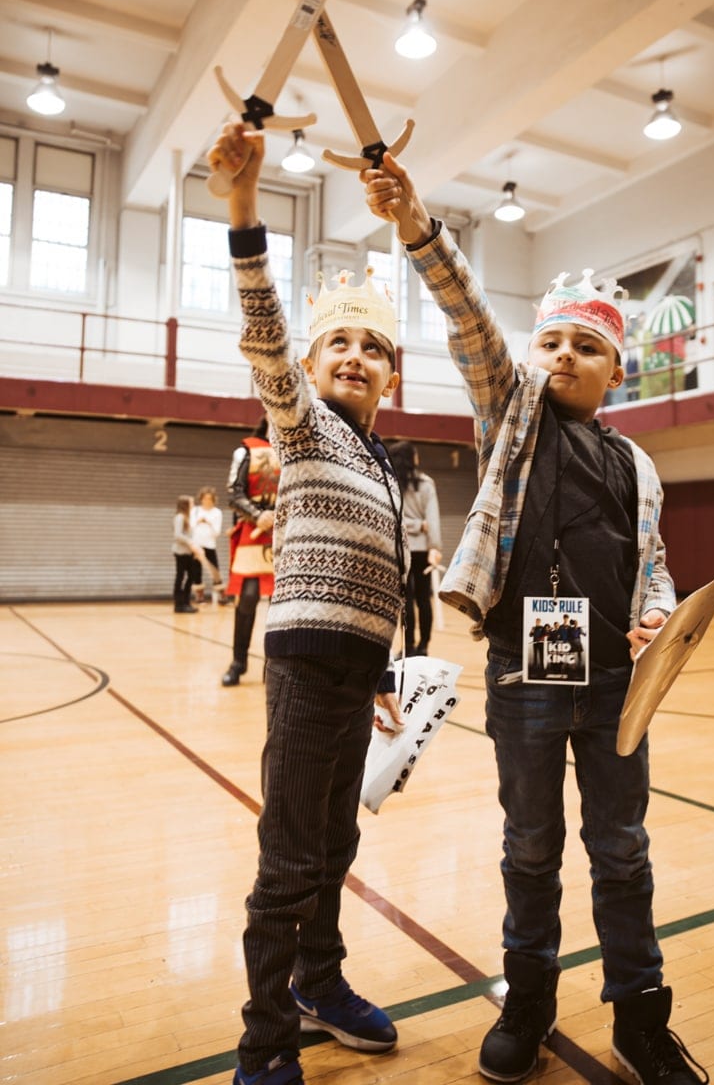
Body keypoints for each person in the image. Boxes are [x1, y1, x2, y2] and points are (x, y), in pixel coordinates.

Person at [362, 154, 709, 1085]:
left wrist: (656, 618)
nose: (564, 358)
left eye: (585, 348)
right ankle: (529, 1001)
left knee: (623, 852)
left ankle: (641, 1016)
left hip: (612, 688)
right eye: (551, 342)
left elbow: (656, 568)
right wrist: (418, 222)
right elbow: (469, 317)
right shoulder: (510, 417)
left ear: (614, 369)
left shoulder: (638, 465)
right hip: (522, 675)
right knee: (529, 847)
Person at [207, 122, 407, 1085]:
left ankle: (318, 985)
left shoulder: (385, 464)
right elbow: (265, 336)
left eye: (375, 347)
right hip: (301, 665)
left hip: (354, 673)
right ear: (313, 366)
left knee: (334, 840)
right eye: (340, 343)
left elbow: (386, 578)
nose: (356, 357)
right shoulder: (305, 427)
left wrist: (386, 675)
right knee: (289, 860)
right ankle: (263, 1047)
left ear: (393, 377)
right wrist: (245, 212)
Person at [222, 417, 281, 686]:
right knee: (247, 598)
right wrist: (257, 515)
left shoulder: (295, 451)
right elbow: (234, 494)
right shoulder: (246, 451)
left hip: (284, 536)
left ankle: (273, 666)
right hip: (253, 532)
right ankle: (238, 662)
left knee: (279, 606)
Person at [388, 440, 442, 655]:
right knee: (424, 599)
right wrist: (433, 544)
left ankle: (408, 646)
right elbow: (433, 520)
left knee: (406, 599)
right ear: (411, 457)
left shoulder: (392, 483)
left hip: (401, 549)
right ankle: (424, 647)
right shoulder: (426, 483)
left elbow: (393, 518)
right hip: (423, 550)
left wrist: (408, 525)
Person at [190, 486, 227, 605]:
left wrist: (209, 523)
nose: (207, 501)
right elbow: (190, 528)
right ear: (201, 499)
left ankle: (221, 595)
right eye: (205, 498)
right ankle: (199, 595)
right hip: (196, 545)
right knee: (196, 570)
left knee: (214, 569)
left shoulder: (217, 512)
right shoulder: (195, 511)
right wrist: (198, 522)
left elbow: (217, 532)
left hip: (210, 544)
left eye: (209, 498)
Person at [172, 494, 201, 614]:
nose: (193, 505)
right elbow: (178, 535)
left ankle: (186, 602)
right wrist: (190, 543)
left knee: (191, 577)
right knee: (181, 577)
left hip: (189, 552)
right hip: (181, 552)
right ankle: (179, 604)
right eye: (191, 503)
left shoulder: (189, 517)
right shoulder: (180, 517)